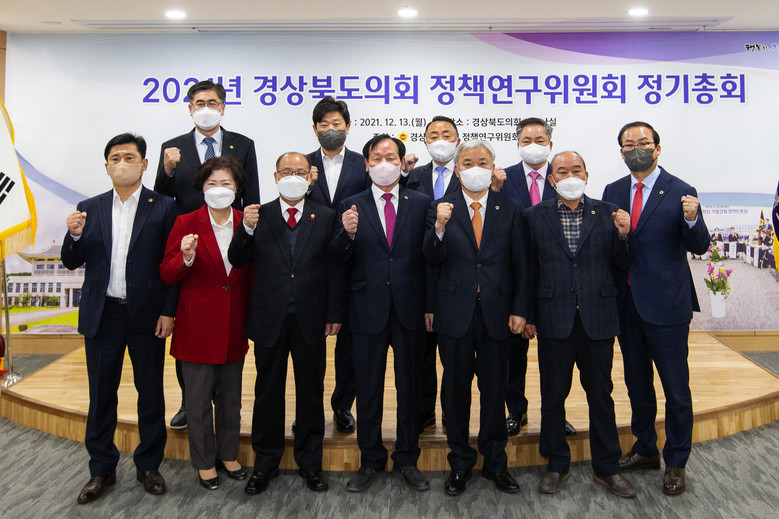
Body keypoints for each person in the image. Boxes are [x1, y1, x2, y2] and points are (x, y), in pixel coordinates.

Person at [63, 133, 177, 504]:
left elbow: (171, 265)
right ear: (106, 166)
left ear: (144, 164)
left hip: (147, 315)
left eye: (129, 157)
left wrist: (169, 311)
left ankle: (149, 466)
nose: (122, 163)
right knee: (101, 396)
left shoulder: (164, 206)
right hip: (103, 314)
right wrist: (74, 236)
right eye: (115, 158)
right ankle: (101, 469)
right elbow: (72, 260)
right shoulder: (89, 208)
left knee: (151, 394)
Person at [602, 121, 710, 495]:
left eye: (644, 142)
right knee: (637, 384)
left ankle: (676, 461)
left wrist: (692, 219)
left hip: (667, 305)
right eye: (629, 144)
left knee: (676, 389)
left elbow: (699, 246)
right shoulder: (613, 190)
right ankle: (646, 448)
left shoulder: (681, 190)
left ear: (658, 148)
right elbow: (612, 247)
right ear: (621, 152)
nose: (637, 149)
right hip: (627, 303)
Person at [228, 152, 344, 494]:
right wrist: (246, 229)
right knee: (267, 393)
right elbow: (237, 258)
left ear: (310, 178)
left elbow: (335, 268)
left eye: (299, 172)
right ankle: (265, 463)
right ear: (276, 176)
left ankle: (311, 463)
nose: (293, 176)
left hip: (311, 318)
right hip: (269, 318)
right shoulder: (257, 215)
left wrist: (334, 313)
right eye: (286, 171)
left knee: (311, 393)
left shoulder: (326, 215)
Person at [523, 151, 636, 497]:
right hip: (553, 318)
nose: (569, 176)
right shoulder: (533, 216)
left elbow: (623, 263)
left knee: (601, 395)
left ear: (586, 175)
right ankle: (556, 463)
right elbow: (527, 270)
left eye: (576, 170)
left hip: (598, 318)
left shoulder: (609, 213)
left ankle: (608, 466)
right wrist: (528, 315)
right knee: (552, 396)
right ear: (551, 179)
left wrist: (624, 236)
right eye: (562, 171)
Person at [423, 139, 529, 495]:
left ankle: (496, 462)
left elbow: (521, 265)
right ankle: (460, 462)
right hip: (454, 313)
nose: (475, 169)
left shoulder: (510, 208)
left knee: (494, 390)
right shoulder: (441, 207)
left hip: (498, 315)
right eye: (467, 163)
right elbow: (430, 260)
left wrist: (520, 309)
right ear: (457, 170)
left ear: (493, 167)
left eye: (482, 162)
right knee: (455, 392)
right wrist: (438, 228)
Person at [154, 79, 260, 430]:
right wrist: (167, 170)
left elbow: (251, 196)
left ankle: (221, 401)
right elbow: (161, 198)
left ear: (223, 107)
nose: (206, 107)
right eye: (199, 102)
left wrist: (249, 233)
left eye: (212, 102)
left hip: (231, 236)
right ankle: (190, 400)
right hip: (189, 237)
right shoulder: (173, 148)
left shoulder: (243, 144)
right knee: (188, 323)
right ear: (189, 108)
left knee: (227, 319)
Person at [330, 134, 432, 493]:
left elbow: (430, 259)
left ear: (402, 163)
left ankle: (407, 458)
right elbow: (336, 259)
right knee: (368, 387)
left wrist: (430, 306)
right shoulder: (350, 204)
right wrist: (346, 234)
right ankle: (370, 459)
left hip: (410, 310)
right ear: (367, 164)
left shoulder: (421, 203)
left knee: (410, 388)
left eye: (391, 157)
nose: (384, 163)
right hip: (365, 310)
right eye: (377, 157)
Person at [159, 156, 251, 490]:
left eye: (226, 183)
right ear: (202, 188)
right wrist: (186, 257)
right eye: (212, 183)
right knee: (197, 403)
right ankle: (203, 462)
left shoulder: (247, 222)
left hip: (234, 325)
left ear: (237, 188)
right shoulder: (186, 222)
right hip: (196, 327)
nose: (219, 189)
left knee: (230, 400)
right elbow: (167, 272)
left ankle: (228, 454)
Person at [493, 117, 577, 438]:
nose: (533, 145)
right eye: (526, 140)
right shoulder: (503, 179)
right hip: (515, 280)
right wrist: (495, 191)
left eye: (540, 140)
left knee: (556, 358)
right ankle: (516, 410)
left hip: (556, 281)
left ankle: (555, 414)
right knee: (513, 355)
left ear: (550, 144)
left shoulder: (565, 176)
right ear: (517, 144)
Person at [306, 96, 368, 435]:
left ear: (348, 126)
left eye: (337, 124)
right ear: (315, 128)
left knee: (349, 344)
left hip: (352, 263)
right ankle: (310, 408)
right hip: (312, 263)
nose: (331, 129)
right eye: (324, 124)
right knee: (310, 344)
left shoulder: (364, 164)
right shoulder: (302, 164)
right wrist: (305, 186)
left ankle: (343, 405)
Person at [401, 115, 461, 432]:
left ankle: (452, 412)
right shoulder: (411, 176)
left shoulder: (470, 176)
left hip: (456, 277)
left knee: (453, 356)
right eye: (434, 134)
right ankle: (425, 411)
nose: (440, 140)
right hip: (418, 277)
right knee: (421, 355)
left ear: (457, 141)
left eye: (446, 134)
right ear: (425, 141)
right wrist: (402, 173)